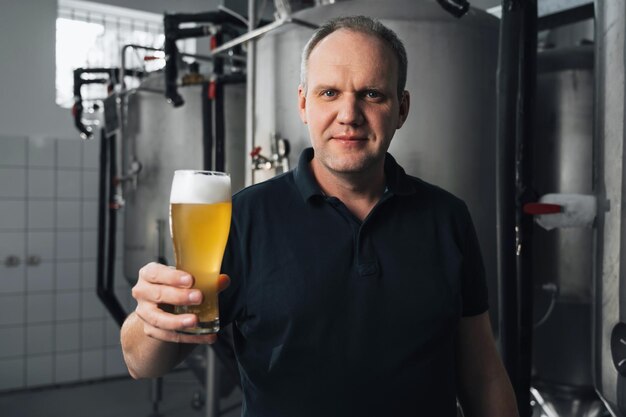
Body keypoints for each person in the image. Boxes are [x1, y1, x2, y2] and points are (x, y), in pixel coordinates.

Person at [121, 15, 519, 417]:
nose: (349, 114)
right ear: (303, 104)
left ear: (402, 108)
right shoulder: (242, 218)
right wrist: (148, 317)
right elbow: (142, 362)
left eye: (372, 94)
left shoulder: (447, 218)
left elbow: (483, 375)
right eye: (329, 92)